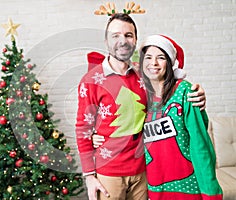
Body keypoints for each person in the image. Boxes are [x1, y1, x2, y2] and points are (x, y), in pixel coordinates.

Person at [75, 13, 206, 200]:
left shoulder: (144, 73)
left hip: (144, 170)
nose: (123, 41)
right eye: (116, 35)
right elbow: (82, 129)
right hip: (109, 173)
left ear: (135, 40)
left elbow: (173, 88)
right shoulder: (91, 81)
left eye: (128, 35)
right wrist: (89, 176)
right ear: (106, 41)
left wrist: (198, 94)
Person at [92, 34, 223, 199]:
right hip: (155, 188)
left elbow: (200, 145)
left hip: (188, 187)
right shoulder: (140, 95)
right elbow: (116, 122)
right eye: (148, 57)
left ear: (169, 62)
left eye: (161, 57)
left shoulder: (185, 92)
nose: (153, 63)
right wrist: (96, 136)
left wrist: (210, 191)